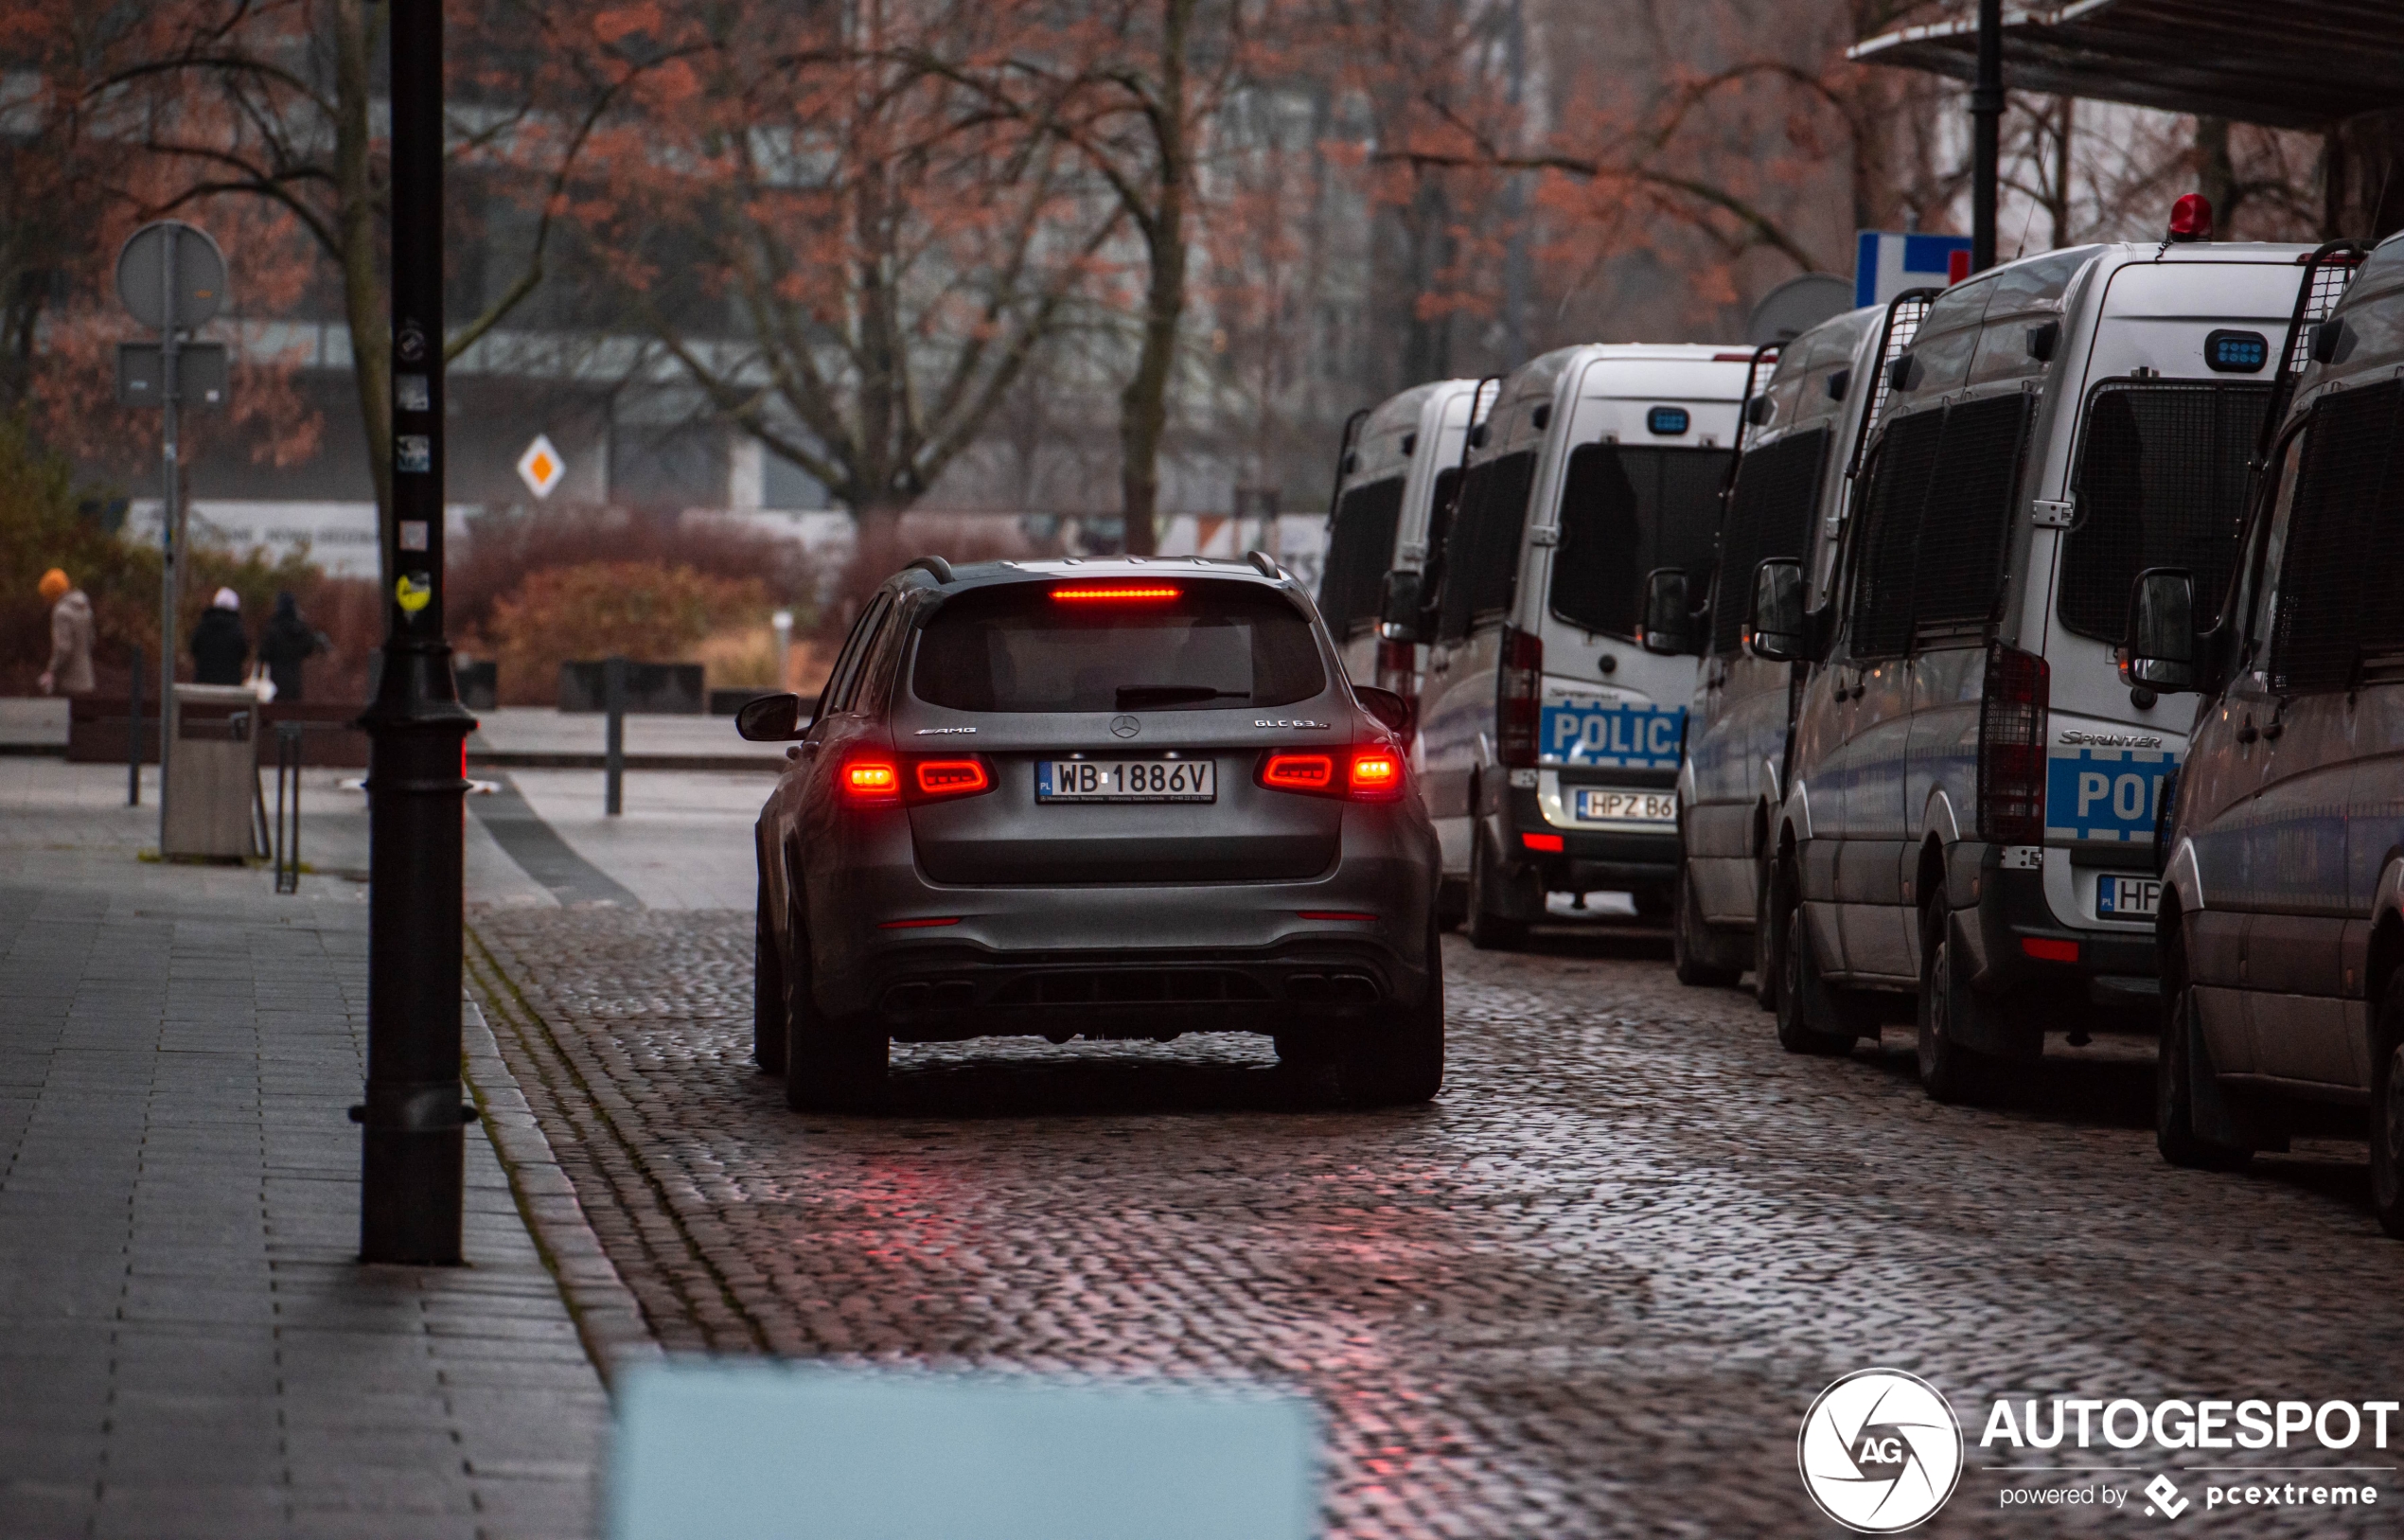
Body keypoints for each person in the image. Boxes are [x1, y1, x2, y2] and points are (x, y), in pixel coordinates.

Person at [255, 591, 327, 703]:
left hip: (275, 680)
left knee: (276, 712)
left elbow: (263, 654)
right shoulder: (300, 627)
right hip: (295, 679)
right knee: (292, 712)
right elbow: (308, 649)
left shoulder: (273, 627)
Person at [36, 568, 94, 696]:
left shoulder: (61, 612)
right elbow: (91, 640)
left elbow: (63, 648)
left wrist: (51, 671)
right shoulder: (84, 607)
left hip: (69, 683)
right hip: (87, 681)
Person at [190, 587, 249, 685]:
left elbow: (194, 648)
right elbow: (243, 651)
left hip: (203, 682)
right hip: (231, 684)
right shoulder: (237, 629)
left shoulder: (203, 626)